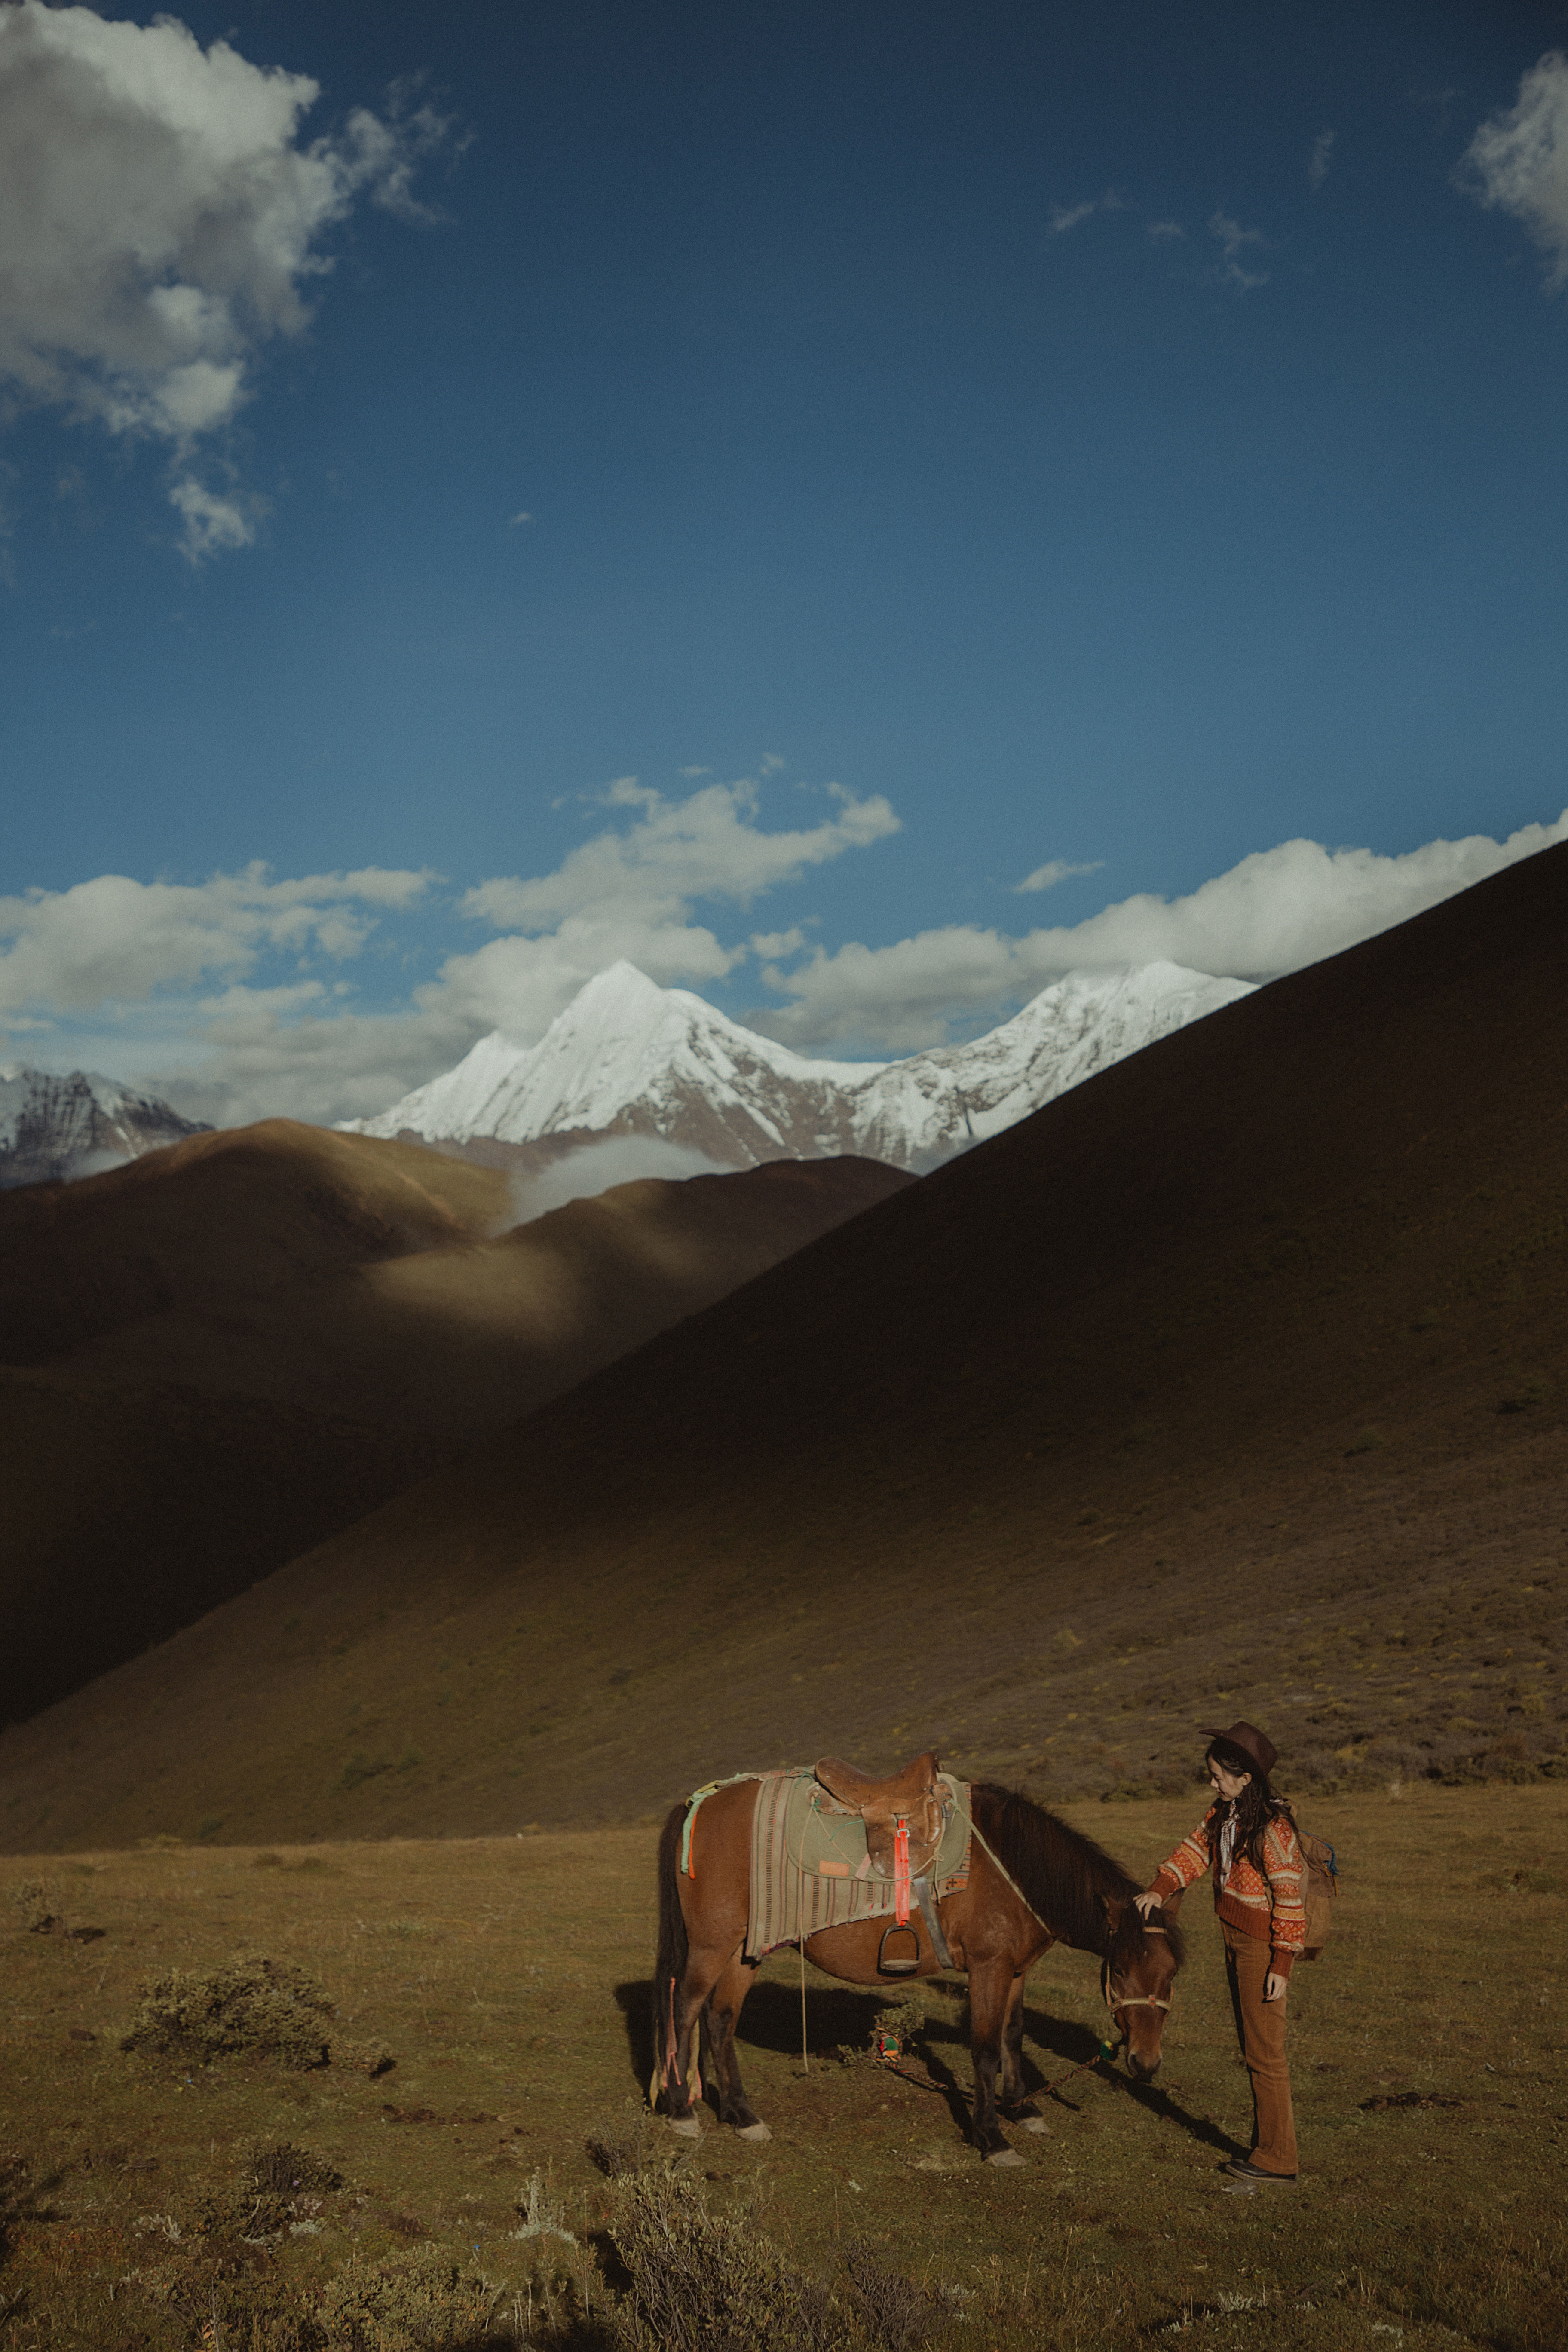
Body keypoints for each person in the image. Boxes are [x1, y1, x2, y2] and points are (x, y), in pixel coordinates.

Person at [1135, 1719, 1305, 2189]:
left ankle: (1278, 2159)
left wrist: (1282, 1965)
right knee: (1256, 2048)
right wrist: (1160, 1887)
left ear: (1245, 1779)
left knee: (1265, 2053)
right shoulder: (1225, 1815)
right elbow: (1193, 1852)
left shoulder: (1274, 1829)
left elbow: (1290, 1900)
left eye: (1218, 1776)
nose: (1213, 1783)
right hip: (1234, 1938)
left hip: (1259, 1947)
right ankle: (1267, 2146)